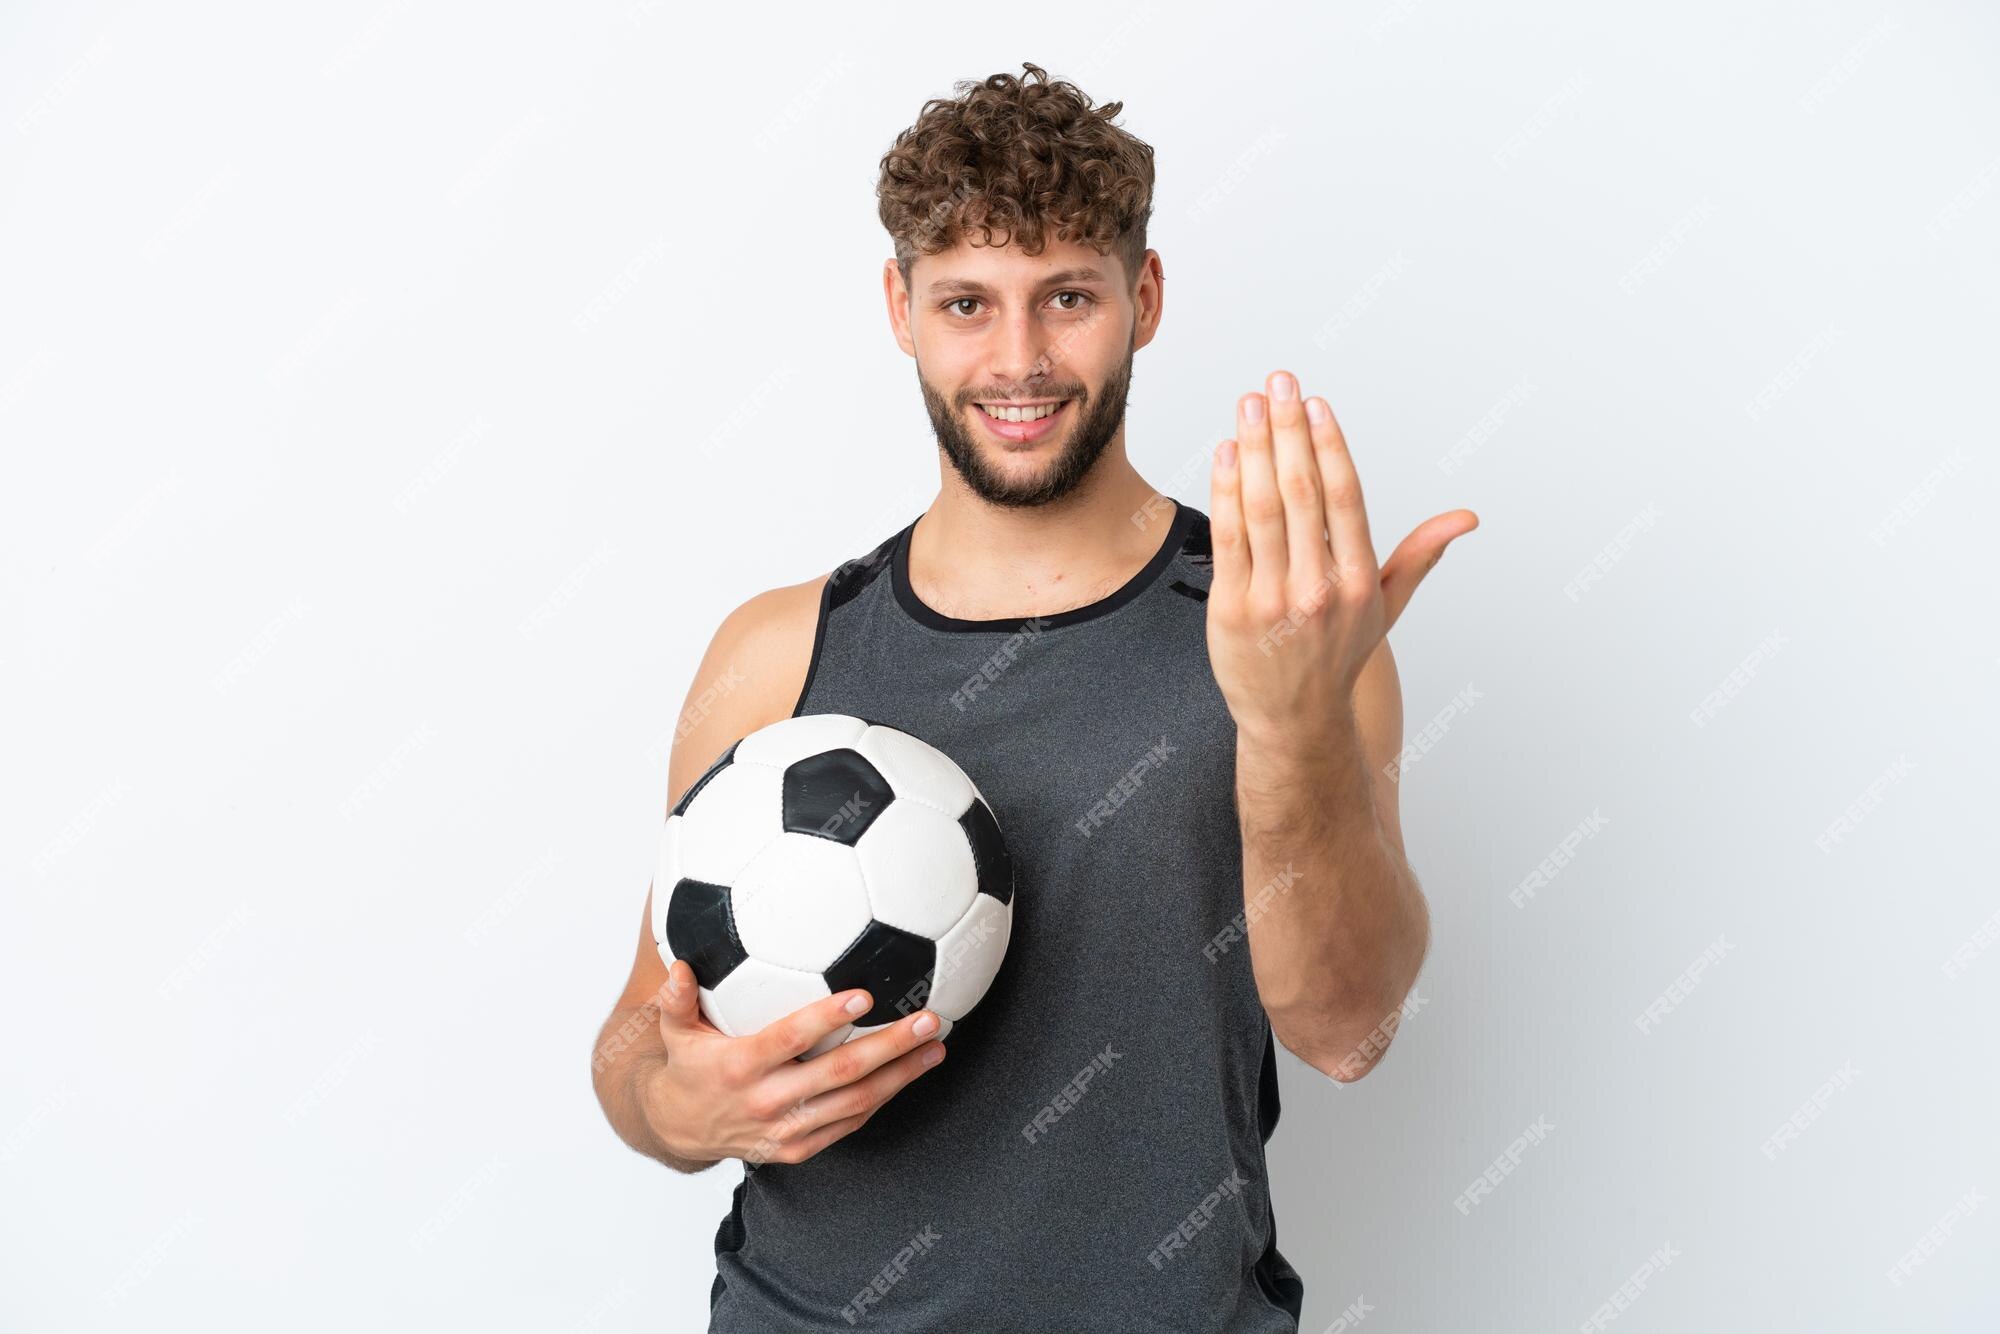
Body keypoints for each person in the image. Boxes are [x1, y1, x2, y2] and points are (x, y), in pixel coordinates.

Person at [590, 61, 1476, 1333]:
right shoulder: (776, 649)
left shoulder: (1285, 628)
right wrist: (676, 1107)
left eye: (1066, 296)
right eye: (966, 302)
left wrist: (1287, 728)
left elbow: (1348, 1028)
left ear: (1143, 298)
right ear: (899, 309)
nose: (1018, 360)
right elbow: (634, 1039)